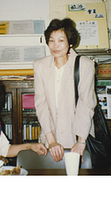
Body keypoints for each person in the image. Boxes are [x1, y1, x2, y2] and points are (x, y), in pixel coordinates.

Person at [33, 18, 97, 163]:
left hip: (77, 136)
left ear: (70, 42)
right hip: (49, 136)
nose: (55, 45)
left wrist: (81, 142)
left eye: (61, 40)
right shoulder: (40, 66)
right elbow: (40, 104)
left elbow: (86, 104)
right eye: (51, 40)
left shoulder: (85, 65)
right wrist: (51, 141)